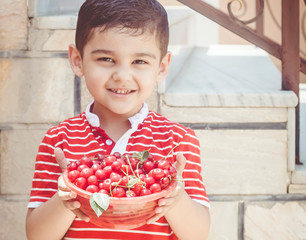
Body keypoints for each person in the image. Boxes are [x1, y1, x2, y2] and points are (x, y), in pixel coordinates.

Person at [25, 0, 210, 239]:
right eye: (106, 59)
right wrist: (67, 195)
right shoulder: (59, 140)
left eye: (139, 61)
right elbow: (36, 235)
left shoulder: (178, 141)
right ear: (78, 60)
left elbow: (198, 234)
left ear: (162, 67)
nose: (122, 76)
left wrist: (176, 198)